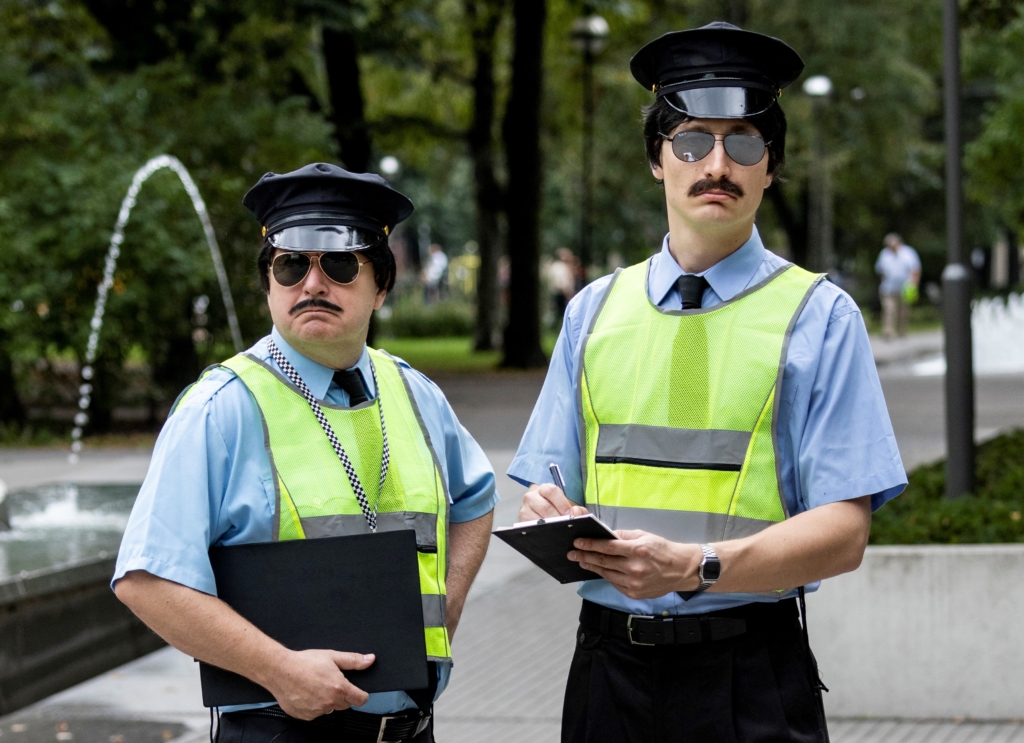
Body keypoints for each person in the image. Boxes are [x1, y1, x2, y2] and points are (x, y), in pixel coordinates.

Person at [508, 23, 907, 743]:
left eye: (744, 142)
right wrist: (546, 508)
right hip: (606, 673)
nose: (716, 164)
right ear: (657, 160)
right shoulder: (592, 312)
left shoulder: (819, 317)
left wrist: (697, 566)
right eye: (692, 140)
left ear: (771, 166)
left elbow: (845, 533)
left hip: (747, 671)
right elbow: (548, 486)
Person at [113, 163, 498, 743]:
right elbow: (145, 579)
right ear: (268, 282)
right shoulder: (220, 408)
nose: (312, 285)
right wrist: (279, 670)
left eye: (339, 264)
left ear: (382, 285)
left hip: (411, 727)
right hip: (281, 729)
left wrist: (450, 599)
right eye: (290, 265)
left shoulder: (413, 392)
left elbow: (476, 499)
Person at [875, 232, 921, 339]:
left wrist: (914, 284)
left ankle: (902, 331)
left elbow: (915, 270)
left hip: (905, 288)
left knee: (903, 311)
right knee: (889, 310)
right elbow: (879, 269)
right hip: (888, 288)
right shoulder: (884, 254)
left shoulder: (908, 253)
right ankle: (888, 331)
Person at [548, 248, 579, 323]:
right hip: (562, 293)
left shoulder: (569, 266)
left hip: (567, 292)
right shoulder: (559, 267)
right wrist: (566, 291)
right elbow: (560, 282)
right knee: (561, 311)